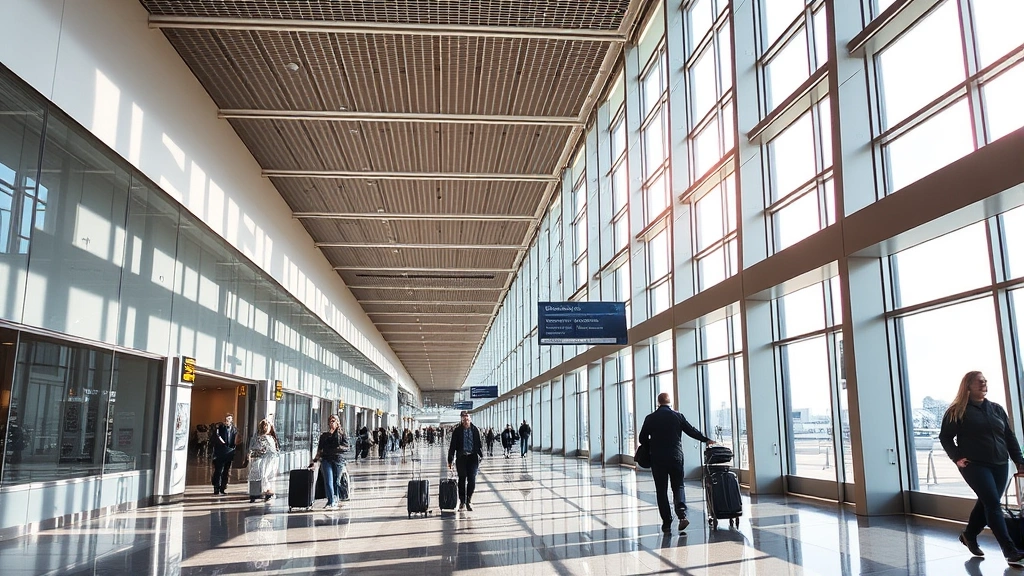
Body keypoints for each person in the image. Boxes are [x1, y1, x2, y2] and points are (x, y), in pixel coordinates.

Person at [939, 371, 1024, 566]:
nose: (984, 383)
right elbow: (945, 437)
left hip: (1000, 464)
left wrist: (1019, 461)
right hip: (974, 464)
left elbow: (1009, 437)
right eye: (980, 381)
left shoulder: (996, 409)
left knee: (987, 502)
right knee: (993, 504)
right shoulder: (957, 411)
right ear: (968, 385)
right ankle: (1010, 551)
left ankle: (969, 535)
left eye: (985, 380)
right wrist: (957, 457)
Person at [637, 392, 715, 533]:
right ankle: (682, 515)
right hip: (676, 457)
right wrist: (705, 439)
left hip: (658, 459)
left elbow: (642, 438)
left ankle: (666, 522)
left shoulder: (651, 418)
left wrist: (653, 443)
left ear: (658, 403)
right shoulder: (677, 416)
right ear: (670, 402)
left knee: (661, 490)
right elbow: (691, 431)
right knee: (678, 486)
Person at [448, 410, 484, 512]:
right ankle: (462, 502)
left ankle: (469, 500)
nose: (465, 419)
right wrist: (450, 459)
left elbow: (479, 443)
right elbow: (452, 446)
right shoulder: (457, 431)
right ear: (461, 419)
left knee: (472, 479)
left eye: (467, 417)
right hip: (461, 458)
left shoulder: (475, 430)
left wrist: (481, 455)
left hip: (473, 457)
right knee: (462, 479)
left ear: (470, 418)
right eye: (463, 417)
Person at [311, 414, 349, 510]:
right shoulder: (324, 436)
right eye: (330, 421)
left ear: (337, 422)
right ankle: (331, 501)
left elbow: (347, 447)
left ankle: (335, 499)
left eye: (333, 421)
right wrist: (315, 460)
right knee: (328, 481)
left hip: (338, 460)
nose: (331, 423)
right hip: (326, 460)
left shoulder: (342, 434)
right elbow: (320, 449)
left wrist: (337, 448)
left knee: (336, 481)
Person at [247, 419, 279, 502]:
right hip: (263, 459)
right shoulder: (265, 438)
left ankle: (262, 492)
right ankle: (261, 492)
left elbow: (252, 448)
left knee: (260, 475)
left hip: (265, 459)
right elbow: (274, 451)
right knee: (261, 475)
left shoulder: (262, 438)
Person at [211, 413, 239, 495]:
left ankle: (223, 487)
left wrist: (233, 448)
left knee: (226, 471)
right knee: (218, 470)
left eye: (229, 419)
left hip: (229, 452)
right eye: (226, 419)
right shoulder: (220, 428)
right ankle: (216, 487)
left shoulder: (234, 429)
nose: (227, 421)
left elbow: (236, 439)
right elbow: (216, 437)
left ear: (232, 420)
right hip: (220, 452)